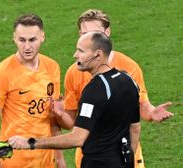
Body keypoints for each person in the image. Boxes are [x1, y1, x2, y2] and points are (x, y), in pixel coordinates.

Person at [52, 9, 174, 168]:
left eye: (94, 33)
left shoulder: (129, 67)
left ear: (107, 32)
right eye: (83, 34)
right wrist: (61, 115)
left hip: (125, 153)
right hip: (91, 157)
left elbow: (141, 106)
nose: (89, 38)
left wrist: (151, 113)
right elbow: (74, 123)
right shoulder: (74, 72)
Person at [9, 31, 141, 168]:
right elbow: (135, 128)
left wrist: (30, 143)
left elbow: (77, 138)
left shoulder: (94, 90)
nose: (75, 55)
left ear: (98, 55)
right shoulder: (129, 80)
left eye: (81, 51)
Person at [0, 14, 64, 168]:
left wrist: (59, 158)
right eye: (22, 40)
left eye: (32, 40)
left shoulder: (52, 67)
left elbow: (53, 118)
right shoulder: (1, 73)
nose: (27, 47)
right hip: (15, 160)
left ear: (42, 37)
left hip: (45, 159)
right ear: (14, 38)